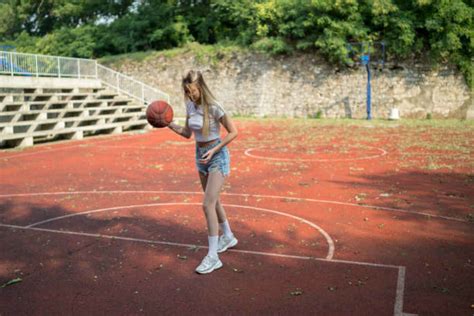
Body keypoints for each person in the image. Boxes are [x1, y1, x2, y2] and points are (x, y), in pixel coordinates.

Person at [167, 70, 238, 274]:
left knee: (207, 204)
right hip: (200, 156)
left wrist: (215, 150)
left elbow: (234, 132)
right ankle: (229, 236)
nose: (190, 95)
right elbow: (188, 134)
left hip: (217, 155)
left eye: (193, 91)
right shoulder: (190, 105)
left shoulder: (215, 107)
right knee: (214, 201)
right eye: (187, 92)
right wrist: (168, 124)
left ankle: (213, 256)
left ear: (201, 88)